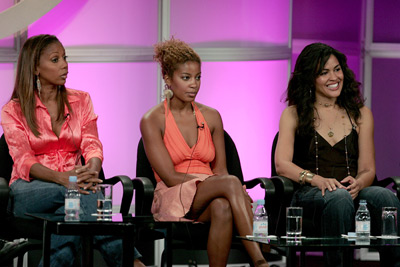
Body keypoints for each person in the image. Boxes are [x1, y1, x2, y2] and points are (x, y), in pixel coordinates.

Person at [1, 34, 145, 267]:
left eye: (65, 58)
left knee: (73, 215)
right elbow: (24, 161)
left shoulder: (81, 100)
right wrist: (65, 179)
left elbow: (91, 143)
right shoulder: (13, 110)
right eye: (55, 60)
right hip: (28, 190)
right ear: (36, 68)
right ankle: (132, 262)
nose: (65, 65)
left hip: (77, 186)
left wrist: (92, 170)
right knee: (84, 197)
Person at [140, 37, 269, 267]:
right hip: (174, 192)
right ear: (168, 78)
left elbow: (220, 170)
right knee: (230, 184)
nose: (194, 84)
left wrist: (218, 186)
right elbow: (169, 176)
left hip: (210, 191)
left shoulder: (211, 117)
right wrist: (215, 184)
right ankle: (260, 260)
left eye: (198, 77)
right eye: (186, 78)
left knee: (222, 206)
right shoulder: (152, 120)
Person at [275, 42, 400, 266]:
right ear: (310, 79)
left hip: (349, 191)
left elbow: (369, 168)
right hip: (309, 193)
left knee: (386, 197)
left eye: (337, 69)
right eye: (324, 73)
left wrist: (359, 183)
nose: (334, 77)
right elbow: (282, 164)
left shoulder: (360, 114)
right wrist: (317, 180)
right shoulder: (293, 114)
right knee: (338, 197)